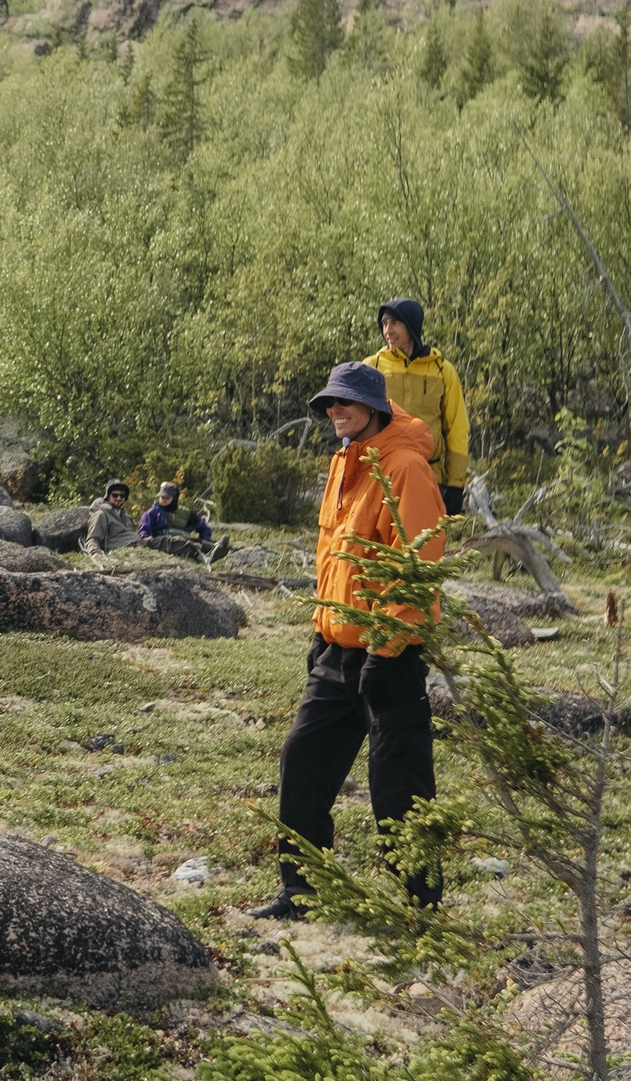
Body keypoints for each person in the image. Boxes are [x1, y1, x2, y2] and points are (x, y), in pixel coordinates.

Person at [250, 362, 446, 922]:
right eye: (330, 405)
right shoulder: (344, 463)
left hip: (392, 655)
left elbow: (416, 566)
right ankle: (302, 892)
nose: (336, 412)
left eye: (346, 403)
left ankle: (422, 910)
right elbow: (332, 558)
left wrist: (387, 650)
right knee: (302, 761)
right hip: (337, 651)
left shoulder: (406, 467)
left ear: (375, 408)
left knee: (400, 788)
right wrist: (322, 631)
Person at [364, 299, 469, 517]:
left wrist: (455, 486)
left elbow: (457, 430)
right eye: (384, 324)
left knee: (426, 549)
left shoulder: (443, 370)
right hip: (380, 477)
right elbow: (356, 425)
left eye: (394, 323)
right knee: (380, 550)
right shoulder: (371, 367)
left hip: (429, 478)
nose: (387, 330)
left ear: (411, 325)